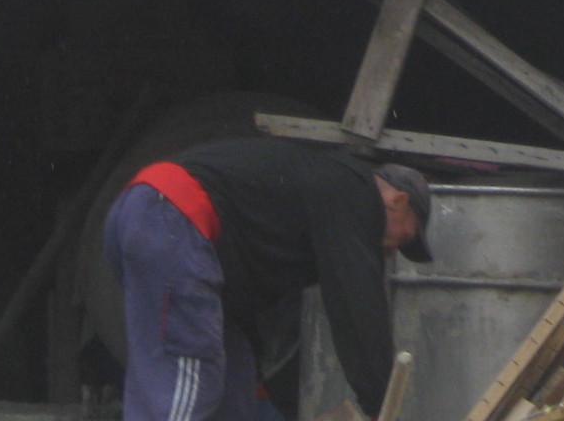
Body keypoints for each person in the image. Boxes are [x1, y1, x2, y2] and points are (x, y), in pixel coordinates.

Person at [104, 137, 431, 421]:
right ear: (398, 200)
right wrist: (380, 404)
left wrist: (254, 379)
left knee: (235, 384)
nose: (392, 252)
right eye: (404, 237)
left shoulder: (320, 191)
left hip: (149, 213)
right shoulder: (355, 192)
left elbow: (243, 286)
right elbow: (356, 304)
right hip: (173, 217)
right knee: (188, 371)